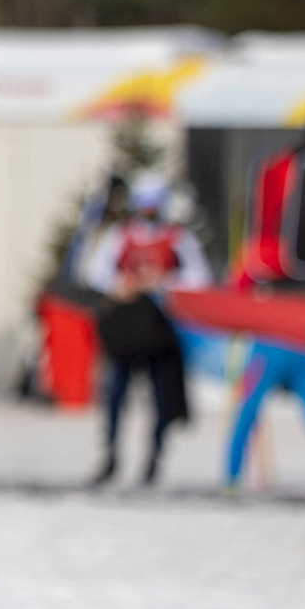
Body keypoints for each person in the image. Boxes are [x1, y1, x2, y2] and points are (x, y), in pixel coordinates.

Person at [81, 174, 212, 486]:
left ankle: (153, 458)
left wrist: (164, 282)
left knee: (161, 395)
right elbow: (95, 273)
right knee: (115, 394)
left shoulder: (178, 238)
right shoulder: (120, 235)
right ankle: (111, 455)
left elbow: (201, 278)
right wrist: (120, 285)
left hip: (159, 329)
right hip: (127, 329)